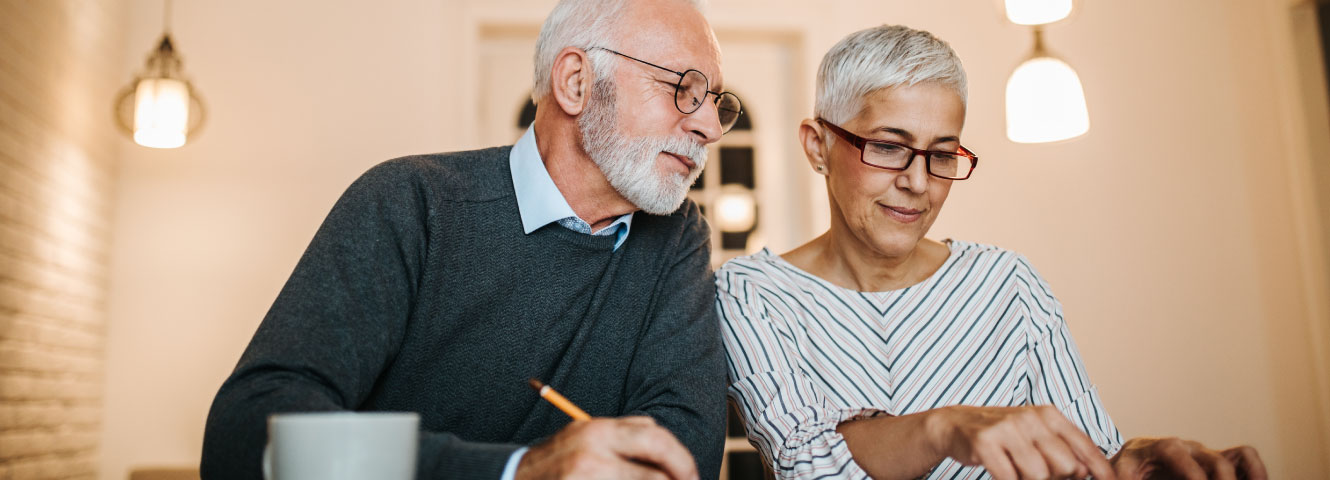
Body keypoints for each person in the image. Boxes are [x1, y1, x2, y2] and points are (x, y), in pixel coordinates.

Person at [201, 0, 744, 478]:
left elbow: (678, 458)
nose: (711, 129)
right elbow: (247, 436)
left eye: (714, 100)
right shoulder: (410, 202)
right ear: (576, 82)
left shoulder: (677, 236)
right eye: (682, 89)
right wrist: (517, 471)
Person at [715, 25, 1267, 480]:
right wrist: (944, 427)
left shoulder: (1007, 283)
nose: (918, 181)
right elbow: (807, 466)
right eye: (888, 146)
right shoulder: (752, 293)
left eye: (942, 154)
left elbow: (1088, 459)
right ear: (819, 145)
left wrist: (1139, 461)